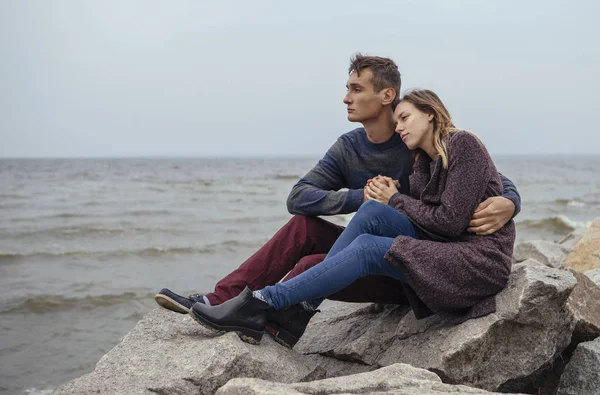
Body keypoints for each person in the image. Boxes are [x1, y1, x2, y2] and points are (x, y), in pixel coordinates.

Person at [155, 55, 521, 348]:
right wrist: (363, 195)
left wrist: (510, 201)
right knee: (312, 228)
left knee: (333, 253)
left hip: (428, 256)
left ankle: (269, 307)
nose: (346, 97)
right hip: (411, 244)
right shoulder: (352, 148)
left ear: (388, 97)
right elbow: (298, 197)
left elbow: (486, 180)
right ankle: (229, 299)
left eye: (356, 89)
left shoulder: (423, 143)